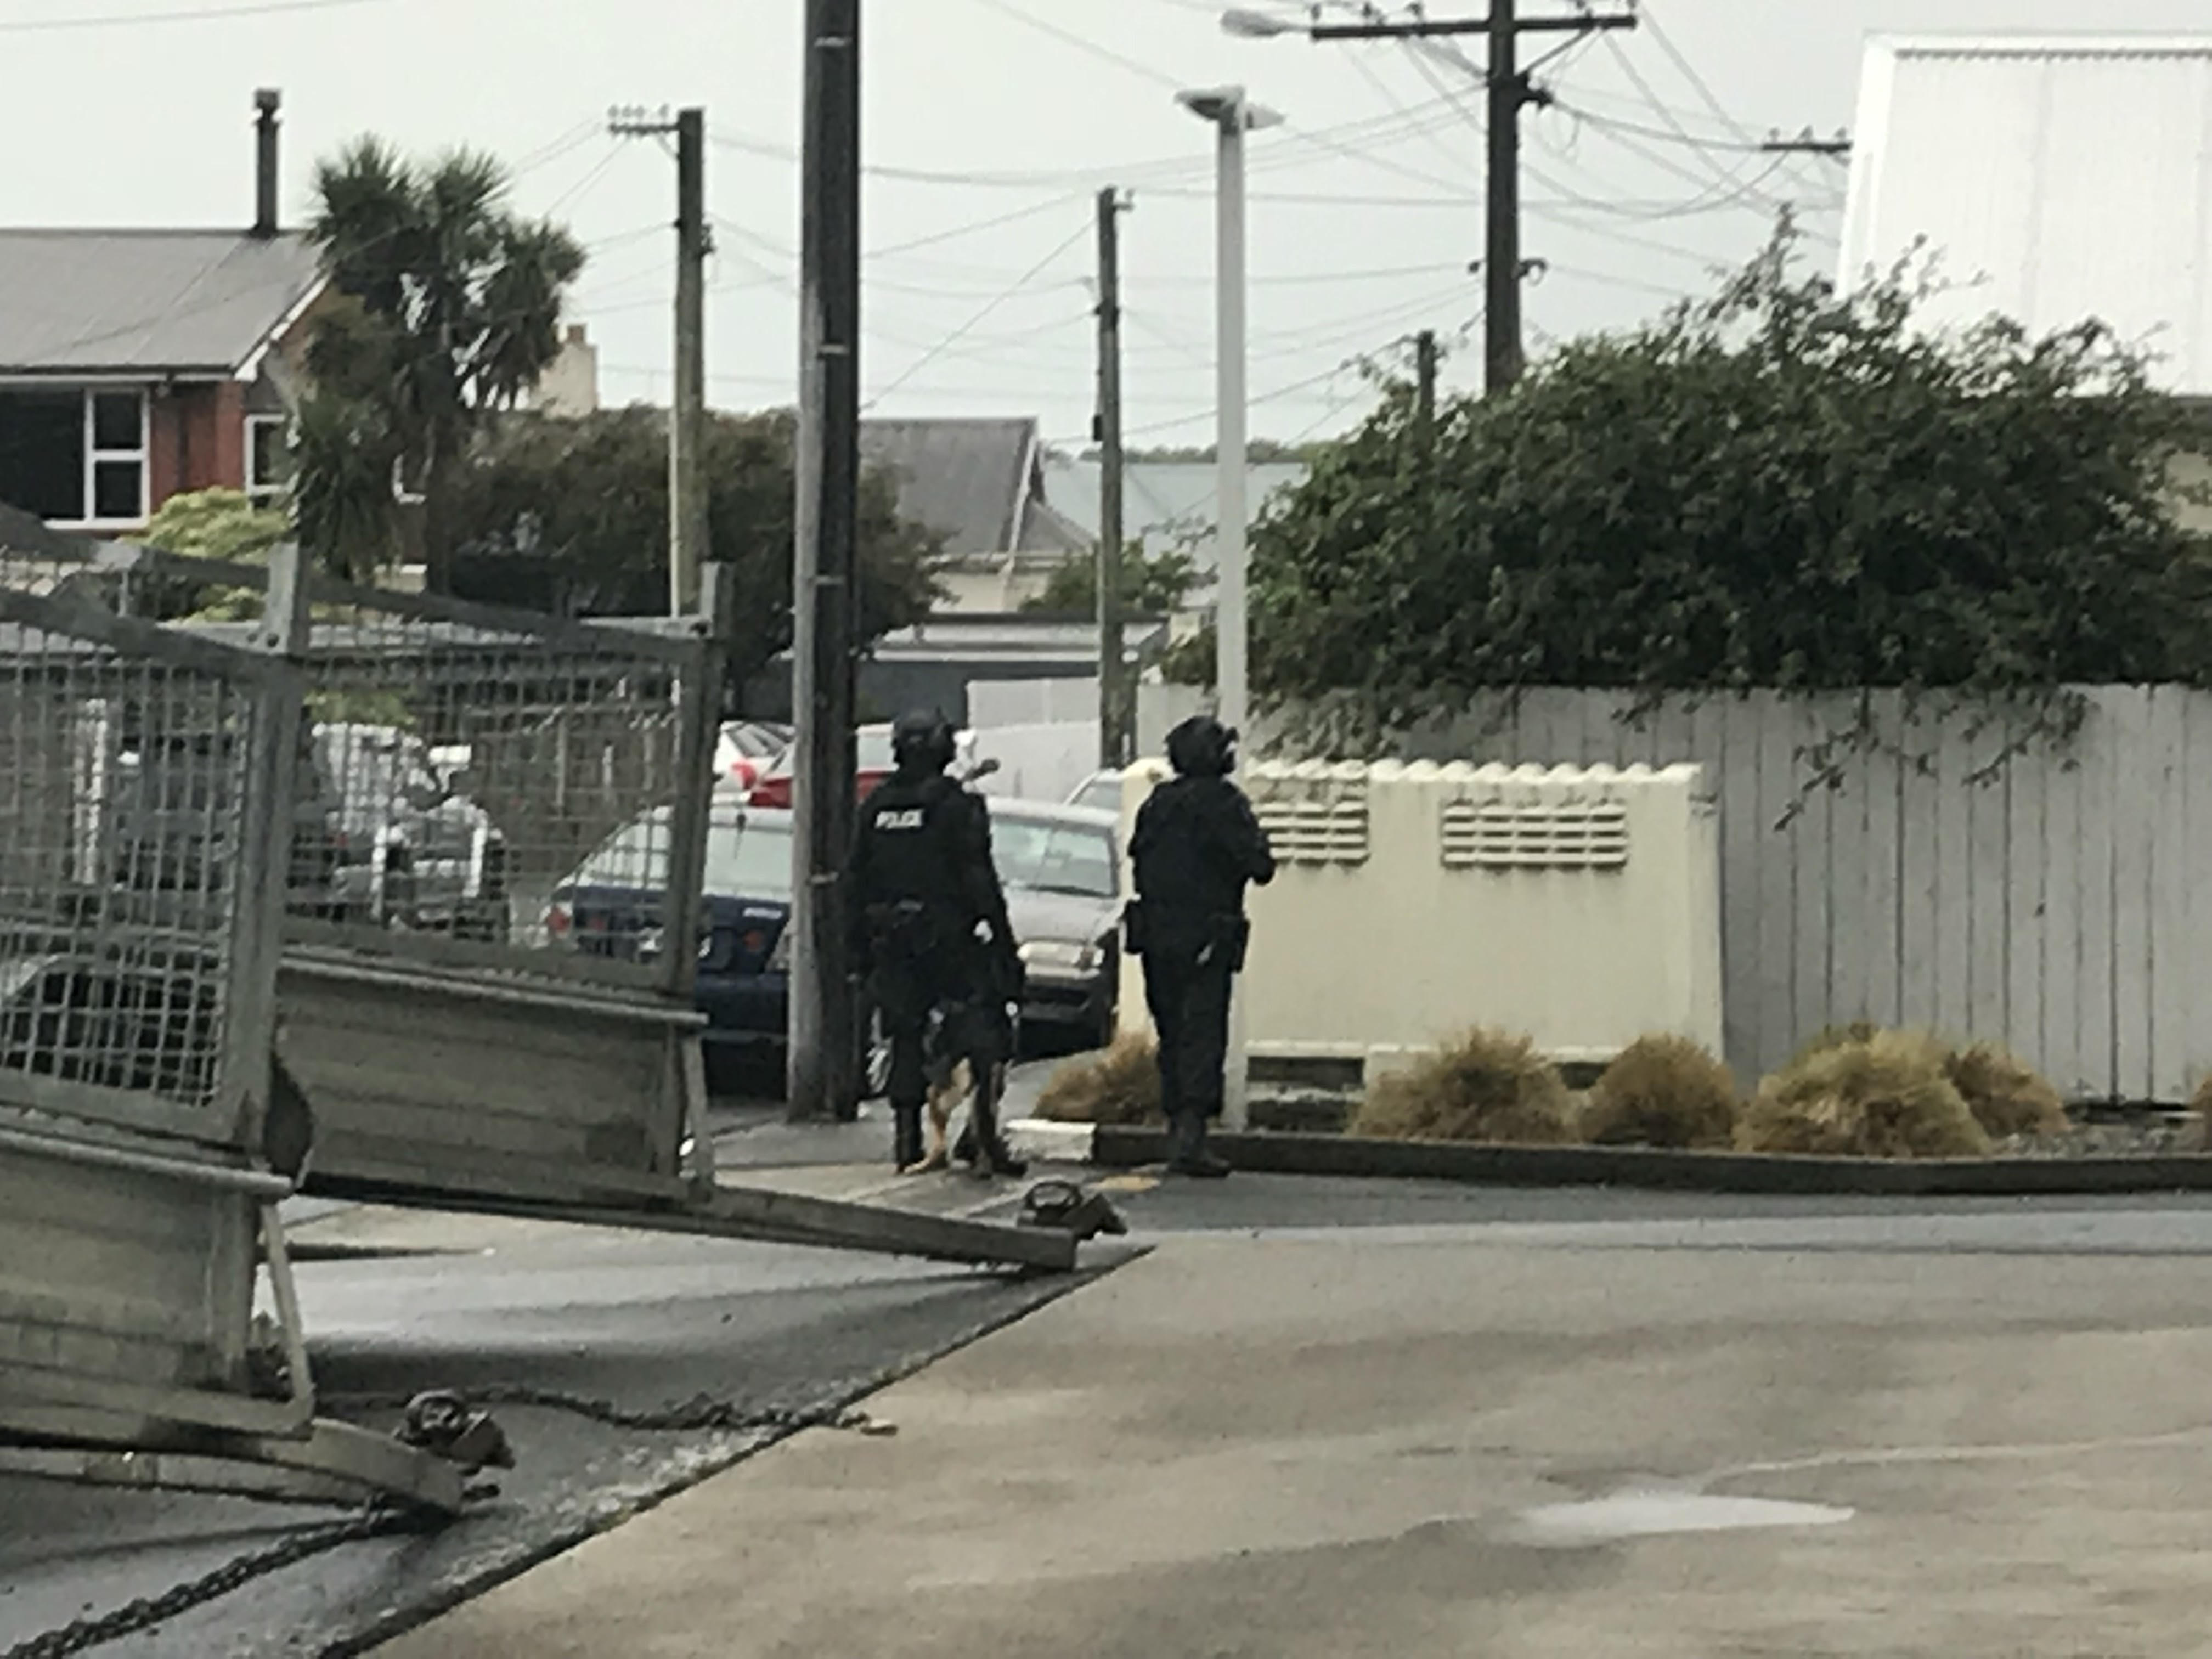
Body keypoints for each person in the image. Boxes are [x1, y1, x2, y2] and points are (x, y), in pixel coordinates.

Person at [849, 708, 1027, 1177]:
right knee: (987, 1034)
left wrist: (859, 951)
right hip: (949, 941)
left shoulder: (877, 806)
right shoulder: (955, 806)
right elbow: (979, 880)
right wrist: (1004, 944)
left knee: (904, 1038)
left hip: (891, 941)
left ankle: (908, 1143)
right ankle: (983, 1140)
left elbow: (855, 880)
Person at [1127, 714, 1276, 1178]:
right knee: (1202, 1033)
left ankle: (1178, 1130)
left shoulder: (1158, 804)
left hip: (1157, 935)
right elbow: (1260, 865)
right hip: (1205, 936)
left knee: (1172, 1033)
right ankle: (1191, 1138)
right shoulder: (1224, 804)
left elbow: (1141, 862)